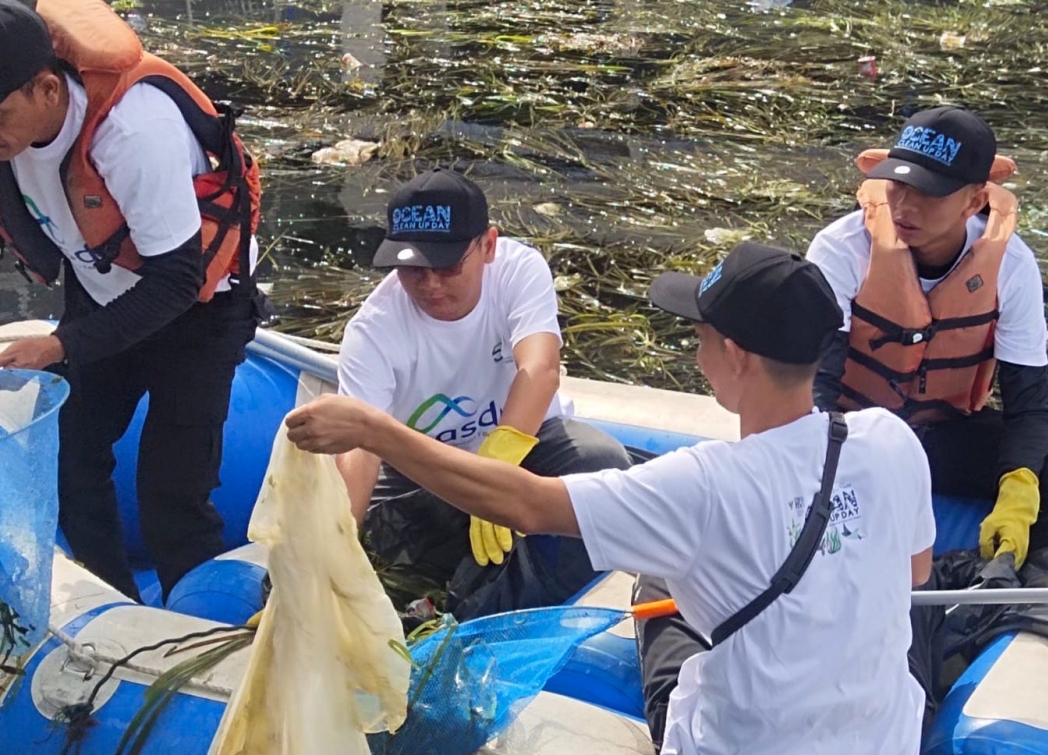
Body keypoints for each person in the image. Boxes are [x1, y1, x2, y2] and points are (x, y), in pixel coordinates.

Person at [288, 241, 936, 754]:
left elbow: (524, 503)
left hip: (744, 741)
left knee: (658, 591)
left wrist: (375, 429)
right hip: (884, 737)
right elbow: (913, 572)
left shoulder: (703, 484)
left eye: (701, 334)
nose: (695, 347)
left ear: (734, 353)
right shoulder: (889, 440)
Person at [0, 0, 267, 602]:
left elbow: (178, 281)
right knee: (72, 466)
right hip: (101, 289)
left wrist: (58, 345)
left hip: (199, 311)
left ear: (47, 90)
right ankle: (116, 608)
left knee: (171, 495)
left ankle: (205, 632)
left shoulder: (132, 132)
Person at [334, 167, 631, 620]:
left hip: (527, 448)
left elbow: (541, 367)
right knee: (379, 538)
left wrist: (495, 470)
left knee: (601, 463)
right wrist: (334, 543)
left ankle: (475, 616)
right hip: (425, 469)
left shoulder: (519, 270)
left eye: (449, 266)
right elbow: (361, 449)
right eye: (412, 269)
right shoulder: (373, 332)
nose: (430, 285)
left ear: (488, 246)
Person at [807, 106, 1048, 572]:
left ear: (975, 201)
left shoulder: (1012, 267)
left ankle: (1011, 582)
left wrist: (1018, 491)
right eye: (898, 185)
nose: (903, 207)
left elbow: (1031, 404)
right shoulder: (841, 248)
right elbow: (813, 383)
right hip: (850, 436)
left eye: (929, 193)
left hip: (942, 435)